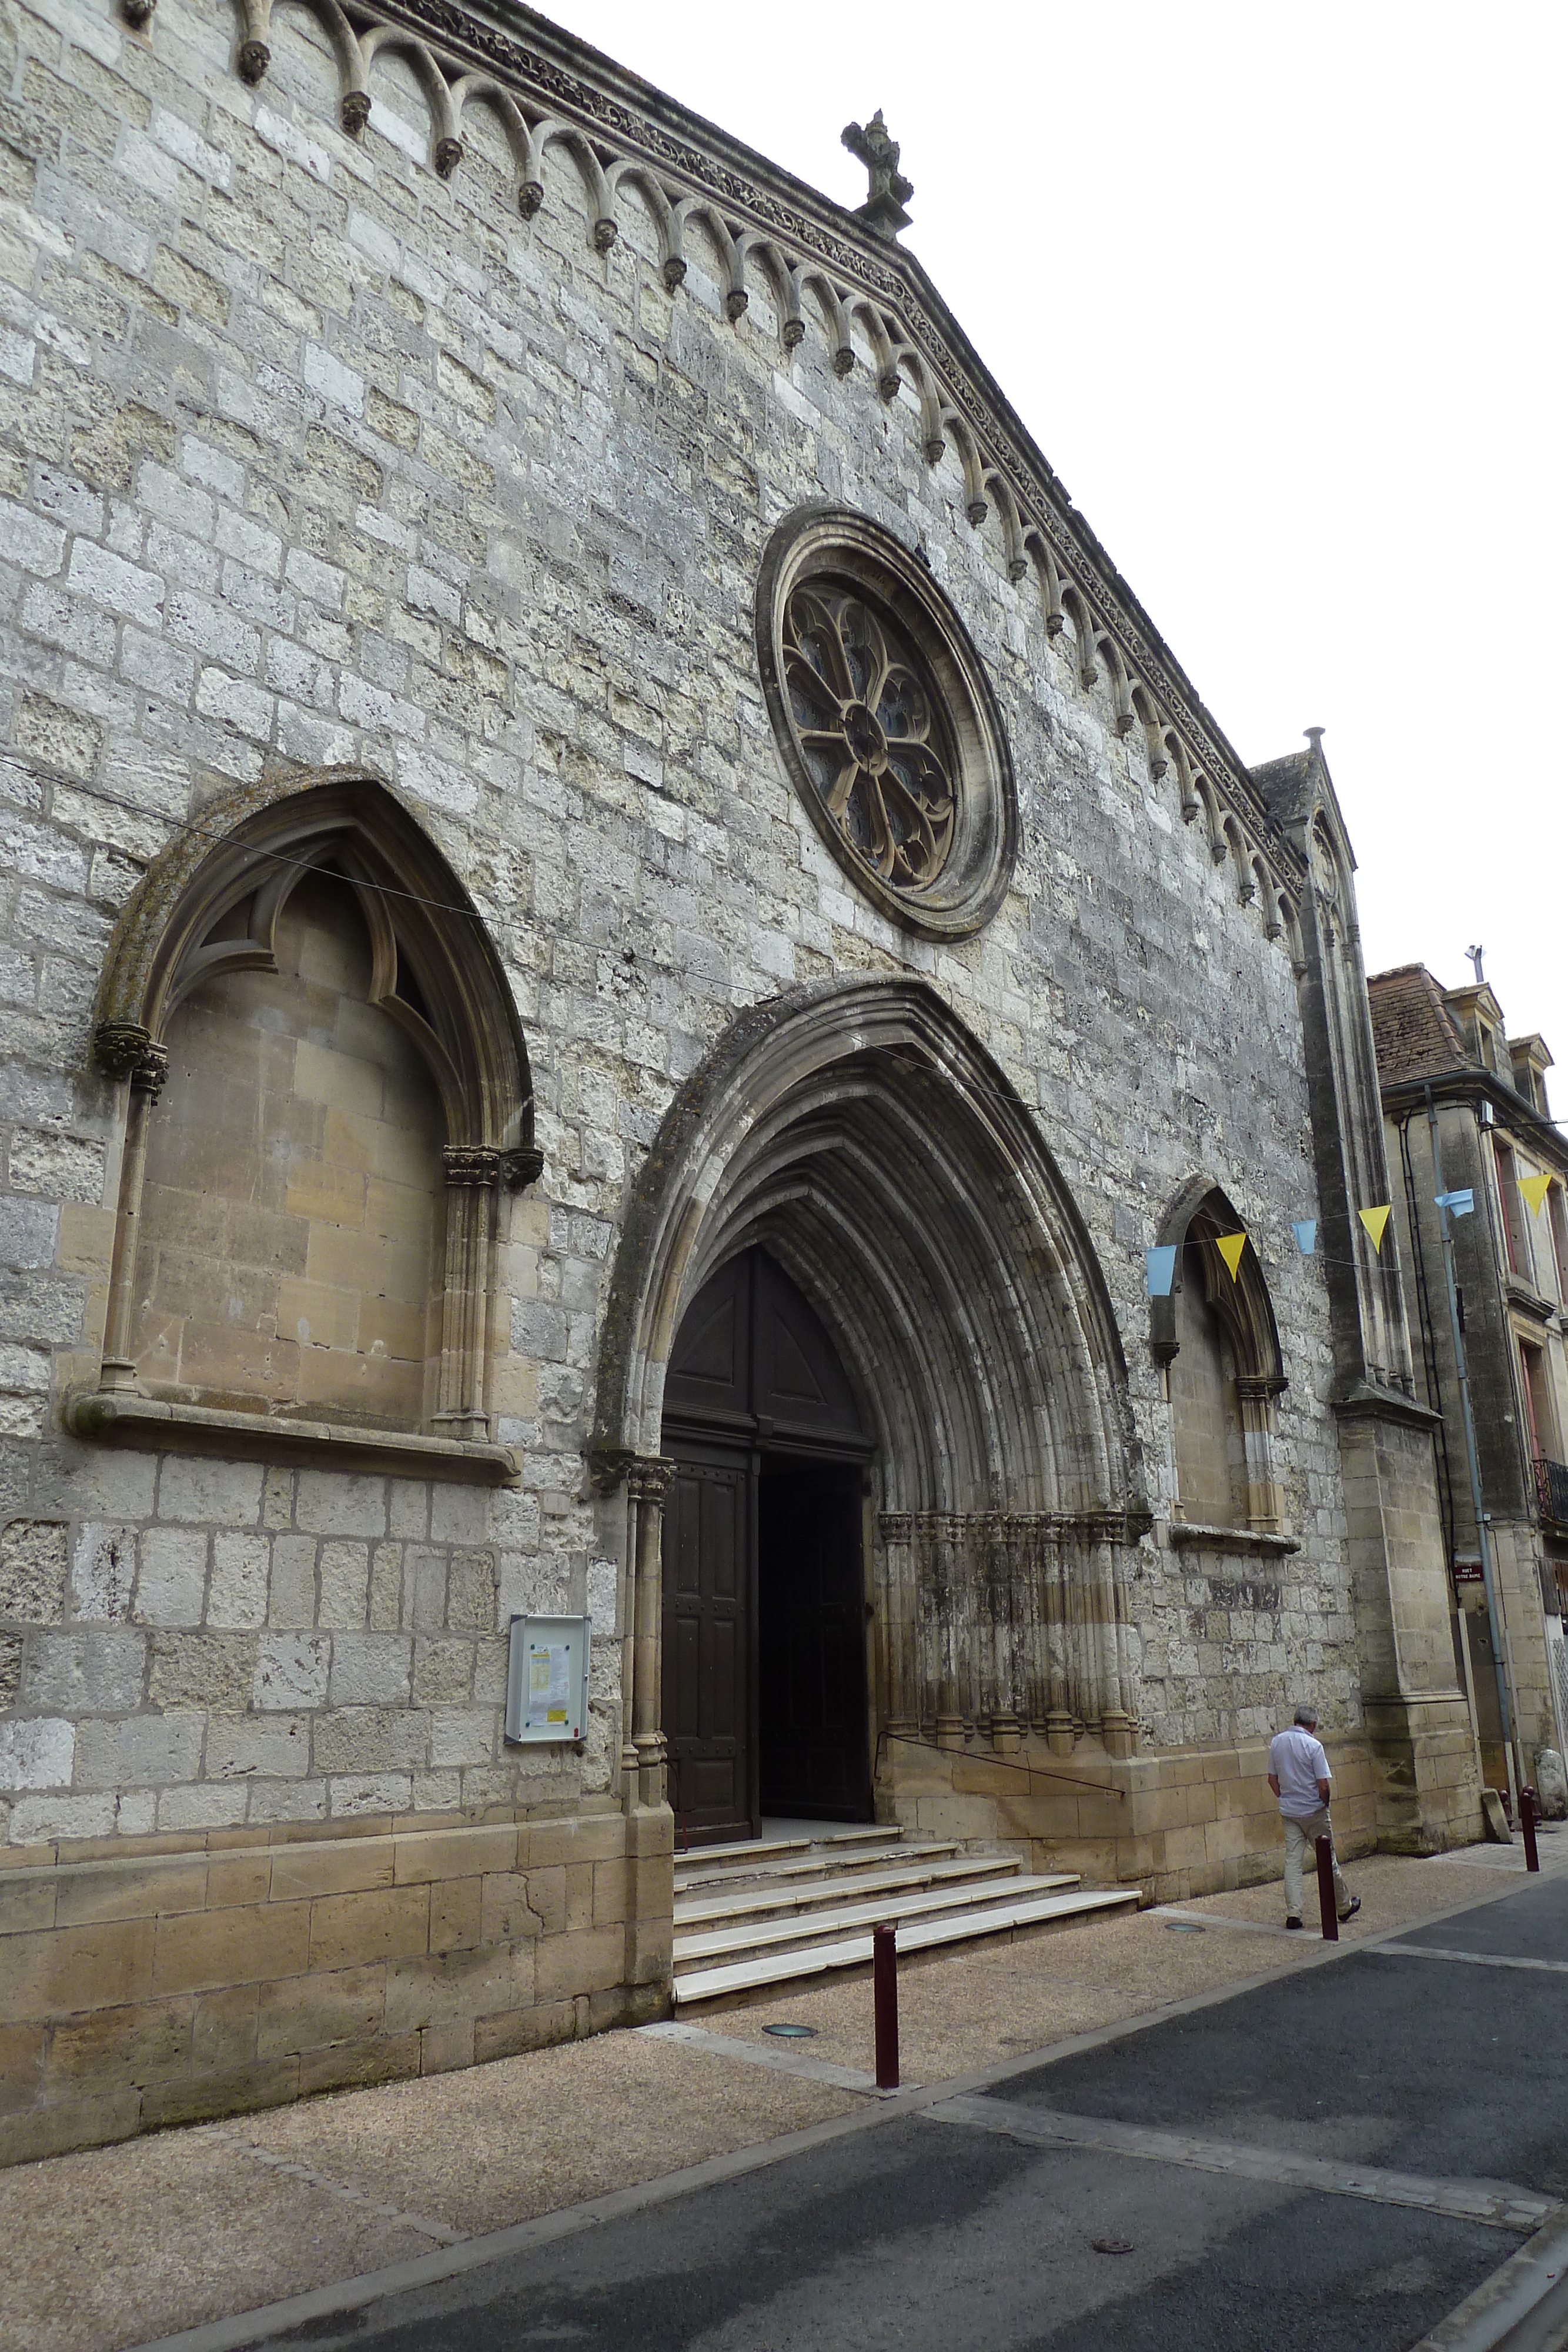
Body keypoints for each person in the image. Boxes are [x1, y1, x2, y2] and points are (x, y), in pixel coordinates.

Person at [1268, 1704, 1361, 1930]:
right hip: (1313, 1810)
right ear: (1313, 1725)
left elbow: (1272, 1780)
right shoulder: (1314, 1746)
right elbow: (1323, 1784)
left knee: (1293, 1861)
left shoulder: (1277, 1742)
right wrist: (1324, 1802)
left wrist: (1285, 1798)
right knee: (1328, 1859)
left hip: (1290, 1811)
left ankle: (1294, 1913)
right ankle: (1343, 1906)